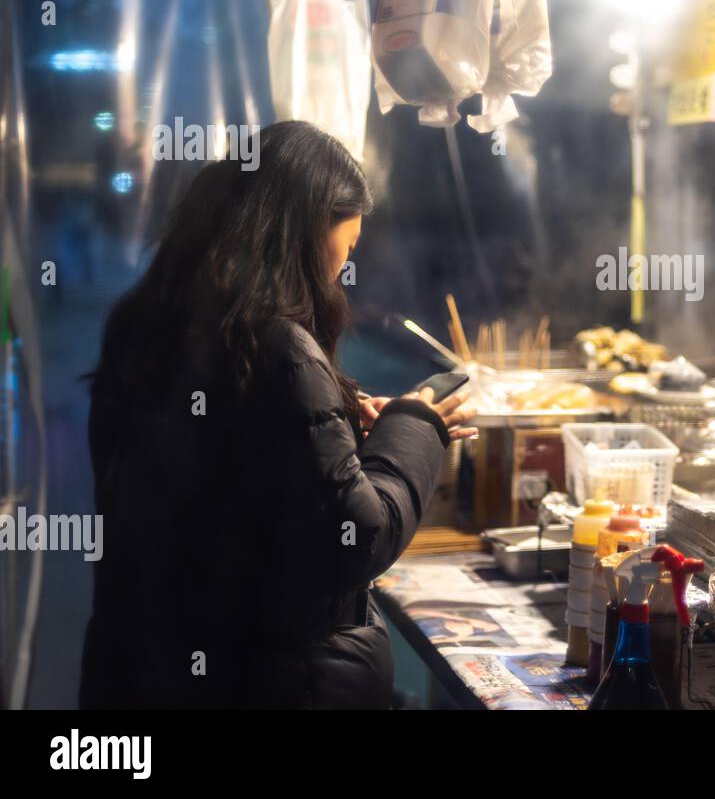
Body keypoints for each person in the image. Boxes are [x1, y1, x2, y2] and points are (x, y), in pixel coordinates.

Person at [80, 120, 476, 709]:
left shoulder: (144, 327)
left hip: (143, 667)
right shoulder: (277, 346)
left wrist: (334, 427)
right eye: (343, 253)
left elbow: (235, 481)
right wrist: (415, 425)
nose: (342, 274)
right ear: (300, 235)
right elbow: (357, 538)